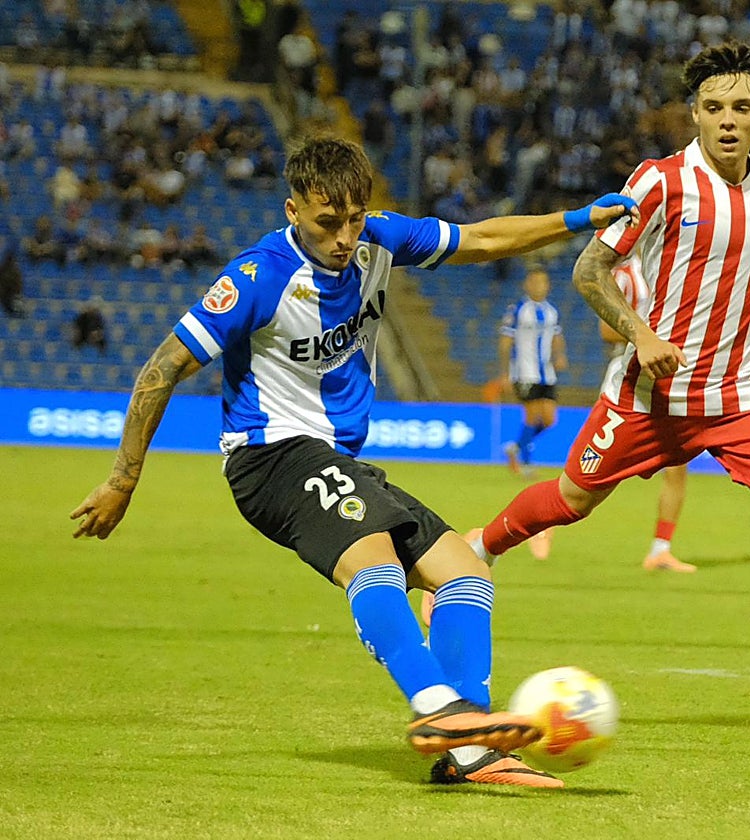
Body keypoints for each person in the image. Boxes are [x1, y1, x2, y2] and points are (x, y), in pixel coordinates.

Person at [69, 136, 637, 788]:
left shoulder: (379, 239)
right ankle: (438, 708)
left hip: (335, 458)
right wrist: (122, 480)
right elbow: (162, 367)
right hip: (269, 456)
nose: (344, 237)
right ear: (293, 210)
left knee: (464, 572)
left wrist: (576, 219)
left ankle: (471, 750)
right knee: (373, 557)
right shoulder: (258, 277)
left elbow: (482, 239)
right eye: (326, 222)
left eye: (353, 218)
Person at [462, 43, 750, 733]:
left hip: (745, 394)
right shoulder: (660, 182)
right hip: (655, 394)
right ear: (694, 115)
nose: (727, 119)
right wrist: (640, 334)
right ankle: (478, 550)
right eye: (713, 107)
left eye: (740, 107)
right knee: (572, 499)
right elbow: (589, 271)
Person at [601, 254, 696, 573]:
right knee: (597, 471)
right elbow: (607, 330)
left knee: (678, 465)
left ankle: (660, 549)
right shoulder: (625, 274)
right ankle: (542, 521)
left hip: (665, 378)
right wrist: (650, 336)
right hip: (629, 376)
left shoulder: (675, 263)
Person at [499, 265, 567, 559]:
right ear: (528, 284)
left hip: (546, 373)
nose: (540, 286)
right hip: (524, 371)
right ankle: (525, 461)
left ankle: (515, 447)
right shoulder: (518, 310)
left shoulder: (551, 311)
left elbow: (556, 336)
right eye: (535, 281)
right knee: (531, 417)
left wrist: (560, 355)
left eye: (544, 282)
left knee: (550, 420)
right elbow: (505, 340)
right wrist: (504, 373)